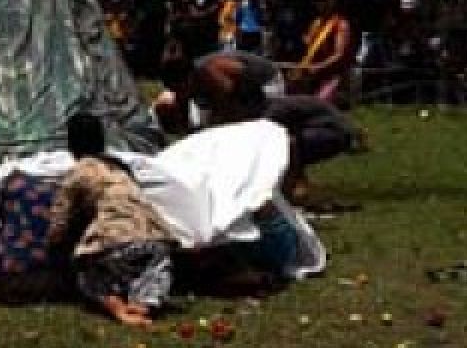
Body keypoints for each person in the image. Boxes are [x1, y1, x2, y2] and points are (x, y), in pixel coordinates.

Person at [154, 50, 356, 202]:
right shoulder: (181, 89)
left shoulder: (213, 75)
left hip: (263, 83)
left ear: (189, 78)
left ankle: (291, 181)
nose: (180, 94)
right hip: (245, 95)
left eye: (181, 88)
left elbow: (227, 109)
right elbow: (189, 126)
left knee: (266, 138)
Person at [47, 113, 174, 329]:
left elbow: (60, 221)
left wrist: (53, 245)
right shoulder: (122, 169)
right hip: (155, 237)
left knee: (87, 272)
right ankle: (143, 304)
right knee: (152, 269)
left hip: (113, 239)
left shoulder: (77, 173)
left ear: (71, 145)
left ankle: (118, 309)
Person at [290, 0, 354, 104]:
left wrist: (318, 66)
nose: (319, 3)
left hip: (332, 76)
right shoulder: (316, 23)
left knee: (318, 105)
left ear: (332, 2)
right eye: (318, 0)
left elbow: (338, 54)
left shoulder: (341, 24)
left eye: (324, 0)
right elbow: (309, 47)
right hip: (312, 76)